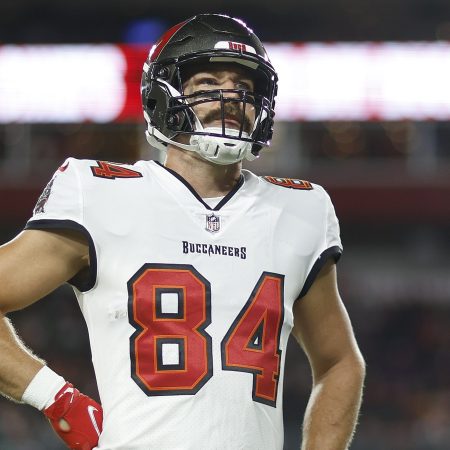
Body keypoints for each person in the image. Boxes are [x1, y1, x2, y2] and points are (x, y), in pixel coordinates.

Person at [0, 13, 365, 450]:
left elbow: (340, 361)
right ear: (162, 97)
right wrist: (59, 401)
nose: (230, 99)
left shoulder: (300, 208)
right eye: (208, 84)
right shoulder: (97, 193)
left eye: (244, 89)